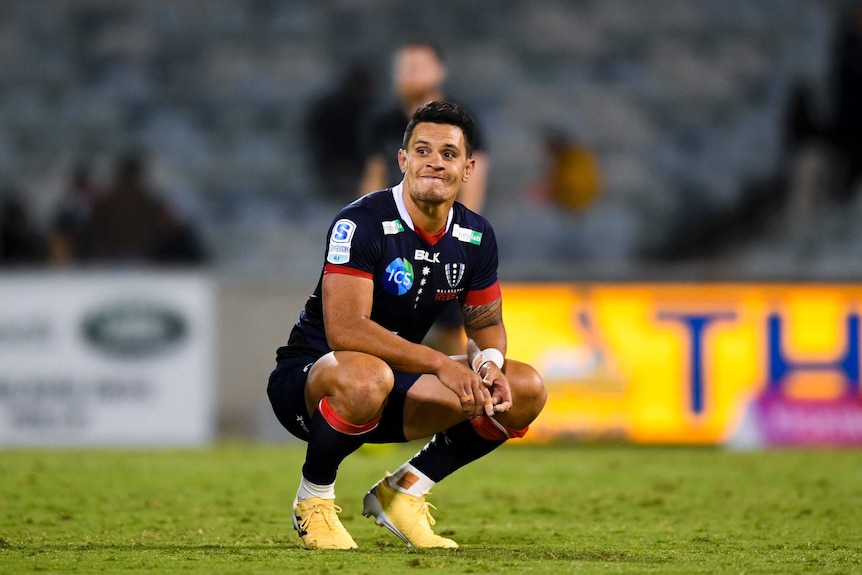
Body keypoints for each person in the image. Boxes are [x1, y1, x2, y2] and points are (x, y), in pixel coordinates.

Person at [268, 101, 546, 550]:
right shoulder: (360, 222)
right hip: (312, 381)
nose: (435, 161)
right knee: (365, 375)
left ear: (469, 167)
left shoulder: (476, 236)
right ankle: (313, 500)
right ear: (403, 160)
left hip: (395, 385)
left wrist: (489, 363)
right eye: (422, 150)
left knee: (525, 387)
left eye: (449, 153)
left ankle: (403, 492)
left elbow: (486, 324)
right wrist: (442, 364)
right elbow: (347, 332)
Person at [359, 40, 489, 355]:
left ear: (439, 71)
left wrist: (456, 239)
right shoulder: (383, 124)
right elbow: (373, 180)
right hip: (395, 240)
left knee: (448, 333)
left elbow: (475, 180)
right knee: (382, 333)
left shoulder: (462, 122)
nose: (410, 74)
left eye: (419, 66)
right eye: (404, 67)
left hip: (441, 239)